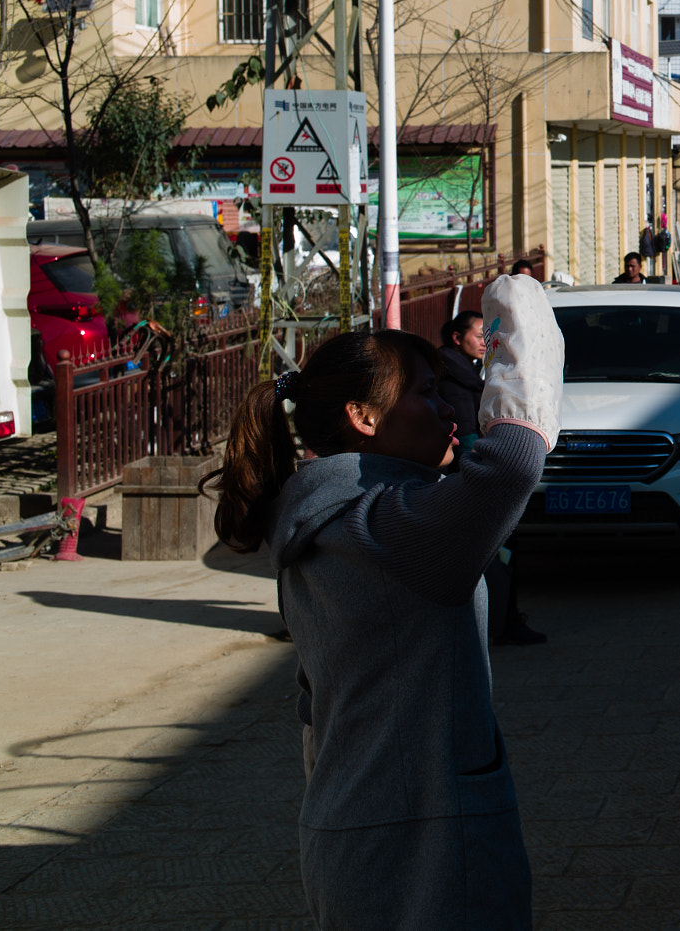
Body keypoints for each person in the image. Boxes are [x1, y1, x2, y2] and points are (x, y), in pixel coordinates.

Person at [202, 276, 562, 929]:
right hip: (426, 847)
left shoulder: (313, 522)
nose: (450, 407)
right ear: (362, 417)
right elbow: (513, 462)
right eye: (425, 394)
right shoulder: (390, 526)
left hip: (346, 830)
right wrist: (522, 309)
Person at [438, 309, 544, 647]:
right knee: (497, 547)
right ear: (457, 338)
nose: (484, 342)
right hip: (468, 470)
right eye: (478, 334)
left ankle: (502, 618)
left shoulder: (470, 371)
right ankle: (501, 621)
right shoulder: (450, 373)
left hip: (475, 463)